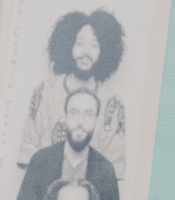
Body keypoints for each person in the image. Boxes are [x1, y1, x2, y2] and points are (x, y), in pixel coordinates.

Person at [2, 88, 124, 200]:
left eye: (88, 114)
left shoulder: (105, 170)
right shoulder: (41, 161)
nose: (80, 122)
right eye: (74, 113)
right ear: (65, 117)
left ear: (96, 121)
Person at [15, 9, 129, 178]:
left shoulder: (112, 103)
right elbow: (28, 159)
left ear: (104, 51)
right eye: (79, 43)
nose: (86, 52)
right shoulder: (45, 92)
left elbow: (111, 175)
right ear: (68, 46)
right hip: (43, 189)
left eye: (94, 45)